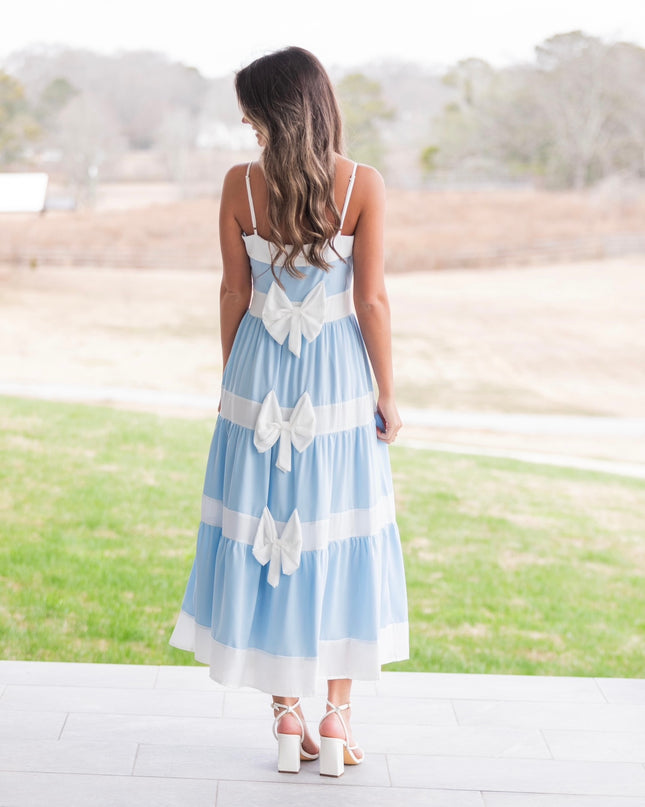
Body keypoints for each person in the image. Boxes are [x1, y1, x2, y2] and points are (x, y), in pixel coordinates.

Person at [169, 46, 409, 777]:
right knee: (337, 530)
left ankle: (285, 717)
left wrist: (229, 379)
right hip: (337, 378)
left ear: (272, 112)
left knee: (269, 534)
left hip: (256, 378)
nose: (245, 125)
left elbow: (231, 294)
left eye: (249, 113)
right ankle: (336, 717)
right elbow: (369, 299)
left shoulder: (240, 183)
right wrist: (387, 392)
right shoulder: (360, 183)